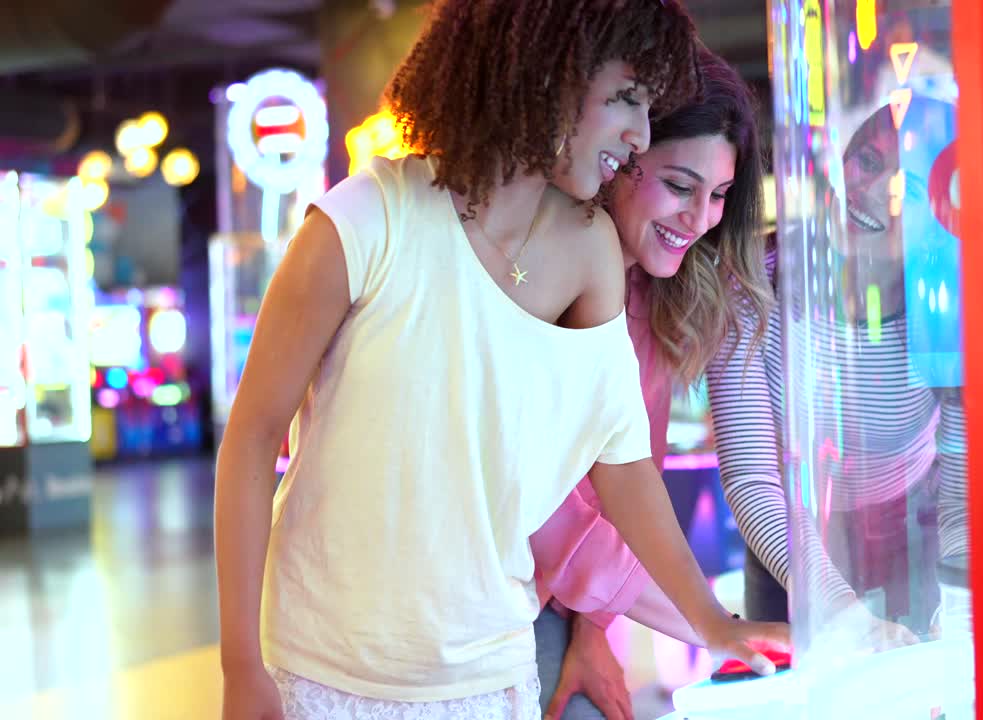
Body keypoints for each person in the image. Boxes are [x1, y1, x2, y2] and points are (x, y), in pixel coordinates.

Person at [213, 3, 787, 720]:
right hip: (326, 671)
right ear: (552, 73)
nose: (639, 135)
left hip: (490, 674)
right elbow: (250, 440)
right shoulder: (363, 222)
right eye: (627, 100)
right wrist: (240, 665)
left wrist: (713, 623)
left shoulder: (590, 254)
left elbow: (623, 465)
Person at [524, 48, 773, 720]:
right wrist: (710, 623)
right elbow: (535, 501)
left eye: (720, 195)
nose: (701, 220)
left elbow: (631, 483)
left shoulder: (658, 295)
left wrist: (594, 629)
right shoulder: (546, 260)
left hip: (558, 598)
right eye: (681, 185)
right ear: (621, 155)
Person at [704, 102, 969, 631]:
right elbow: (754, 478)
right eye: (867, 162)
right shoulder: (748, 281)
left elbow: (963, 481)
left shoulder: (950, 300)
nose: (873, 192)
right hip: (786, 532)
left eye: (906, 183)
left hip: (914, 528)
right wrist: (844, 617)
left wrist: (962, 589)